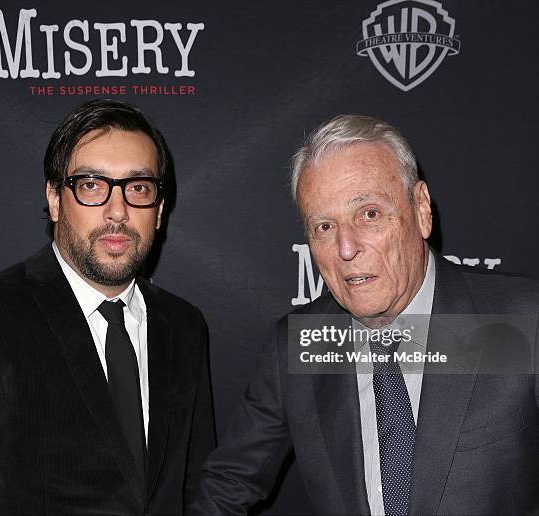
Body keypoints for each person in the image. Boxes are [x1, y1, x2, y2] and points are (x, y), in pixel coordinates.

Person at [190, 115, 539, 515]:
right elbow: (229, 484)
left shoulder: (523, 320)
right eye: (323, 226)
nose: (345, 248)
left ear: (421, 209)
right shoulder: (299, 344)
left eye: (369, 214)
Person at [0, 99, 215, 515]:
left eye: (138, 188)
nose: (118, 211)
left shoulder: (185, 325)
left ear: (159, 210)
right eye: (92, 185)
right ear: (56, 198)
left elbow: (195, 486)